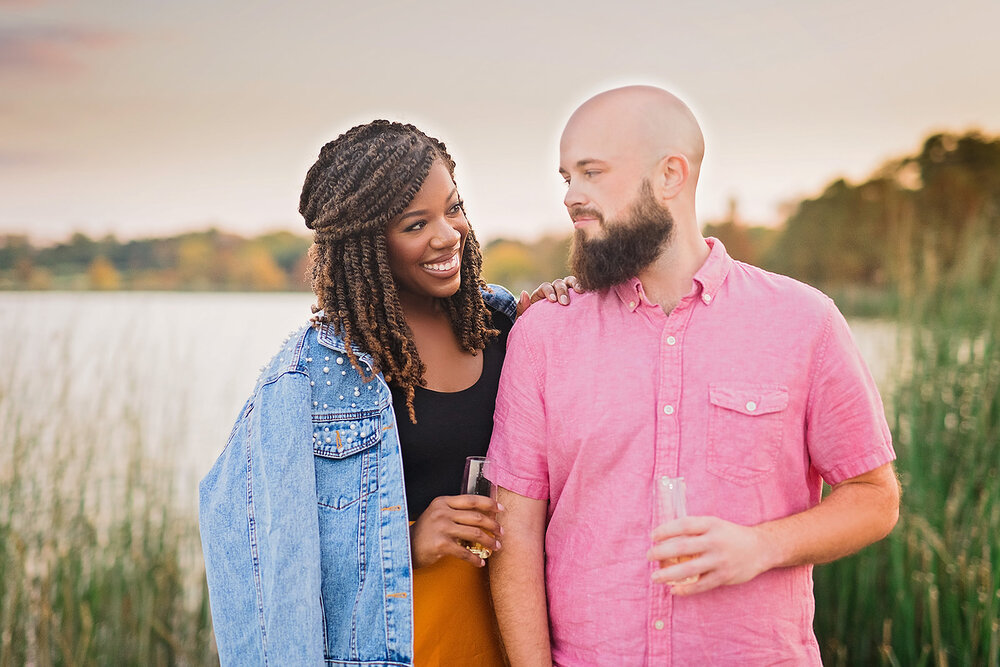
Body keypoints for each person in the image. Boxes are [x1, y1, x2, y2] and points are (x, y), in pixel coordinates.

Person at [486, 86, 901, 665]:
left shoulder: (805, 321)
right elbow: (516, 537)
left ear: (670, 175)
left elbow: (874, 497)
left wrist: (760, 546)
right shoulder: (543, 336)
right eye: (565, 178)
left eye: (591, 172)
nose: (572, 197)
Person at [198, 120, 578, 666]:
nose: (447, 235)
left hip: (520, 635)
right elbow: (261, 552)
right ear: (367, 244)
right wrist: (407, 539)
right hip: (403, 643)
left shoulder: (503, 324)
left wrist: (566, 323)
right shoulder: (312, 375)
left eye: (453, 207)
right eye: (415, 224)